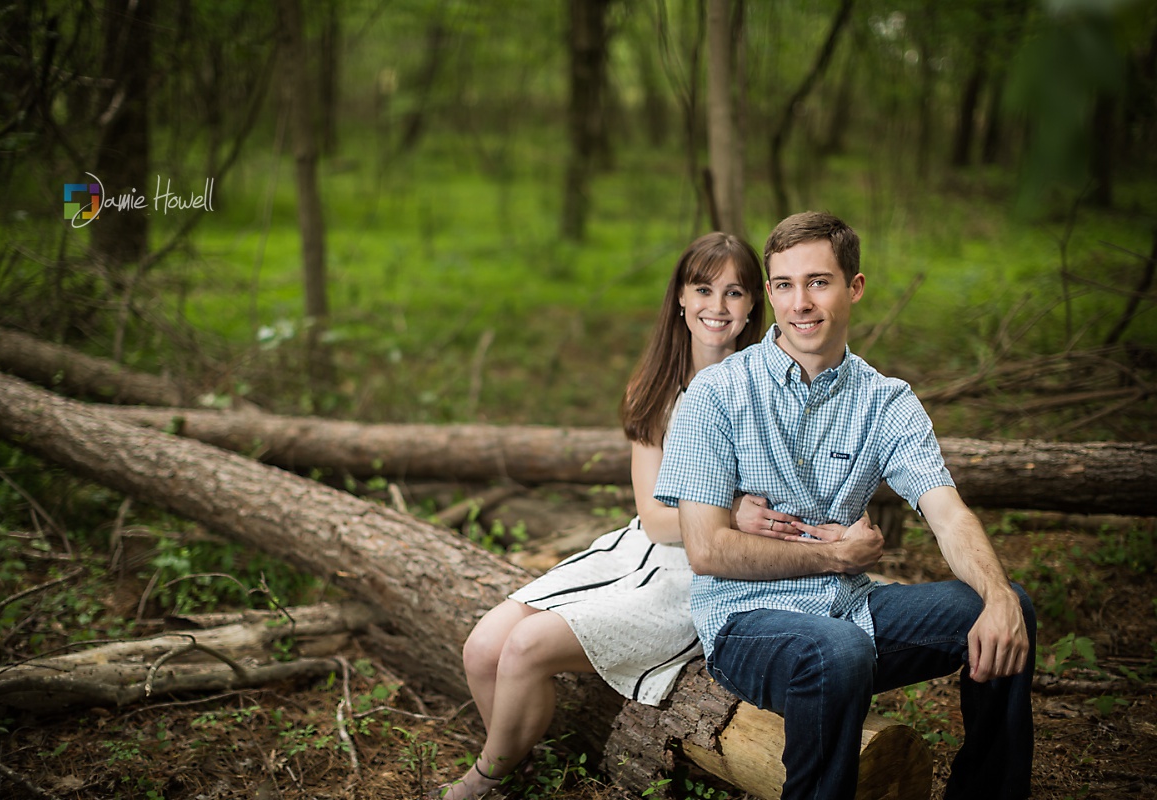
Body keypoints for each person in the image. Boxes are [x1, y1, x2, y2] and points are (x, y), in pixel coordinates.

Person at [654, 211, 1036, 800]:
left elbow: (949, 515)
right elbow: (707, 549)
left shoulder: (886, 401)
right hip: (746, 621)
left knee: (1008, 607)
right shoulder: (718, 394)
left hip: (851, 609)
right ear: (770, 294)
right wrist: (834, 556)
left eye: (818, 282)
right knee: (838, 650)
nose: (800, 303)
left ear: (854, 287)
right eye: (785, 285)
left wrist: (999, 594)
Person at [435, 232, 785, 799]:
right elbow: (653, 518)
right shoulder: (655, 387)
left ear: (752, 306)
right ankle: (518, 769)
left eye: (734, 292)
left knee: (525, 648)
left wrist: (736, 525)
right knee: (482, 648)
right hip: (640, 548)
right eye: (703, 289)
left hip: (704, 574)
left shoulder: (766, 388)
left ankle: (485, 779)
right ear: (679, 296)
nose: (717, 306)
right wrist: (727, 512)